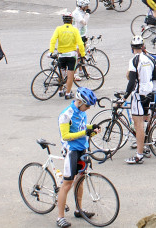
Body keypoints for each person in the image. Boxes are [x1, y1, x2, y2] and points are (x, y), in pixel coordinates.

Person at [56, 87, 99, 228]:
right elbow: (66, 136)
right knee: (67, 184)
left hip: (82, 148)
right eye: (87, 105)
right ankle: (60, 217)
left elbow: (82, 127)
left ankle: (78, 209)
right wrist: (84, 132)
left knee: (80, 180)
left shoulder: (81, 111)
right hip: (71, 151)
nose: (88, 108)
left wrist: (92, 128)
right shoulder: (65, 115)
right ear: (79, 101)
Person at [123, 36, 156, 165]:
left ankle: (139, 155)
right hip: (149, 92)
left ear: (132, 48)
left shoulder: (134, 60)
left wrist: (123, 98)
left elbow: (131, 81)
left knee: (138, 125)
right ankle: (146, 145)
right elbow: (155, 76)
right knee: (146, 118)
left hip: (138, 95)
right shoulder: (150, 59)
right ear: (143, 46)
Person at [49, 13, 86, 100]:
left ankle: (60, 91)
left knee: (61, 74)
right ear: (71, 20)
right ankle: (68, 93)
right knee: (70, 76)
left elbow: (53, 40)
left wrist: (51, 51)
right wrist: (83, 54)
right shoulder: (74, 30)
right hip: (71, 56)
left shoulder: (58, 29)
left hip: (61, 55)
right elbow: (80, 43)